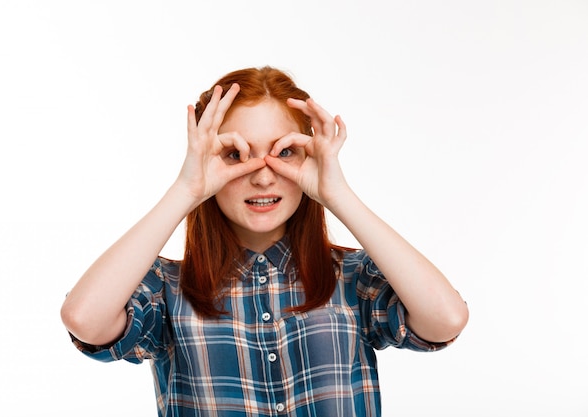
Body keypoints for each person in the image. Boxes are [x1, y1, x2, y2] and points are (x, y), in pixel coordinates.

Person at [61, 66, 469, 416]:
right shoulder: (169, 290)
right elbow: (85, 320)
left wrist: (337, 193)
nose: (262, 175)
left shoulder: (352, 278)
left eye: (284, 153)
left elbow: (445, 320)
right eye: (236, 155)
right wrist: (187, 190)